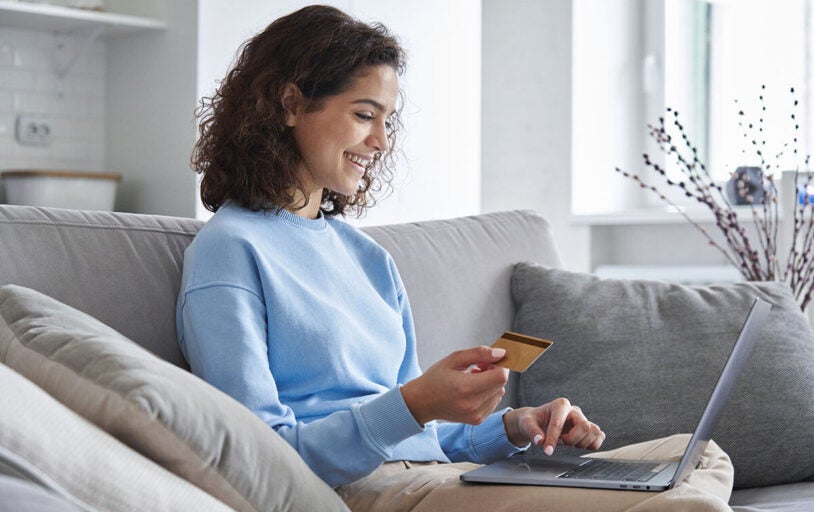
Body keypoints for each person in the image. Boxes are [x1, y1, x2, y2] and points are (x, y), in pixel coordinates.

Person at [177, 5, 734, 511]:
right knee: (685, 505)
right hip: (365, 491)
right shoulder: (231, 250)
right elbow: (259, 455)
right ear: (291, 103)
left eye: (387, 120)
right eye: (365, 114)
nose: (381, 142)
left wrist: (517, 427)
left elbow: (424, 437)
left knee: (696, 454)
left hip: (445, 477)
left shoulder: (368, 257)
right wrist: (416, 402)